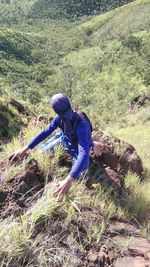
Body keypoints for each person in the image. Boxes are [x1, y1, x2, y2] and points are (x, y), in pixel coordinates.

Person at [9, 93, 100, 197]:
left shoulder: (82, 124)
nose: (66, 117)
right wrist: (25, 149)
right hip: (64, 138)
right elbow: (45, 132)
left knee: (80, 176)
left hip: (77, 148)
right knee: (41, 153)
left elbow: (83, 153)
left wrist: (68, 180)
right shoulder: (59, 118)